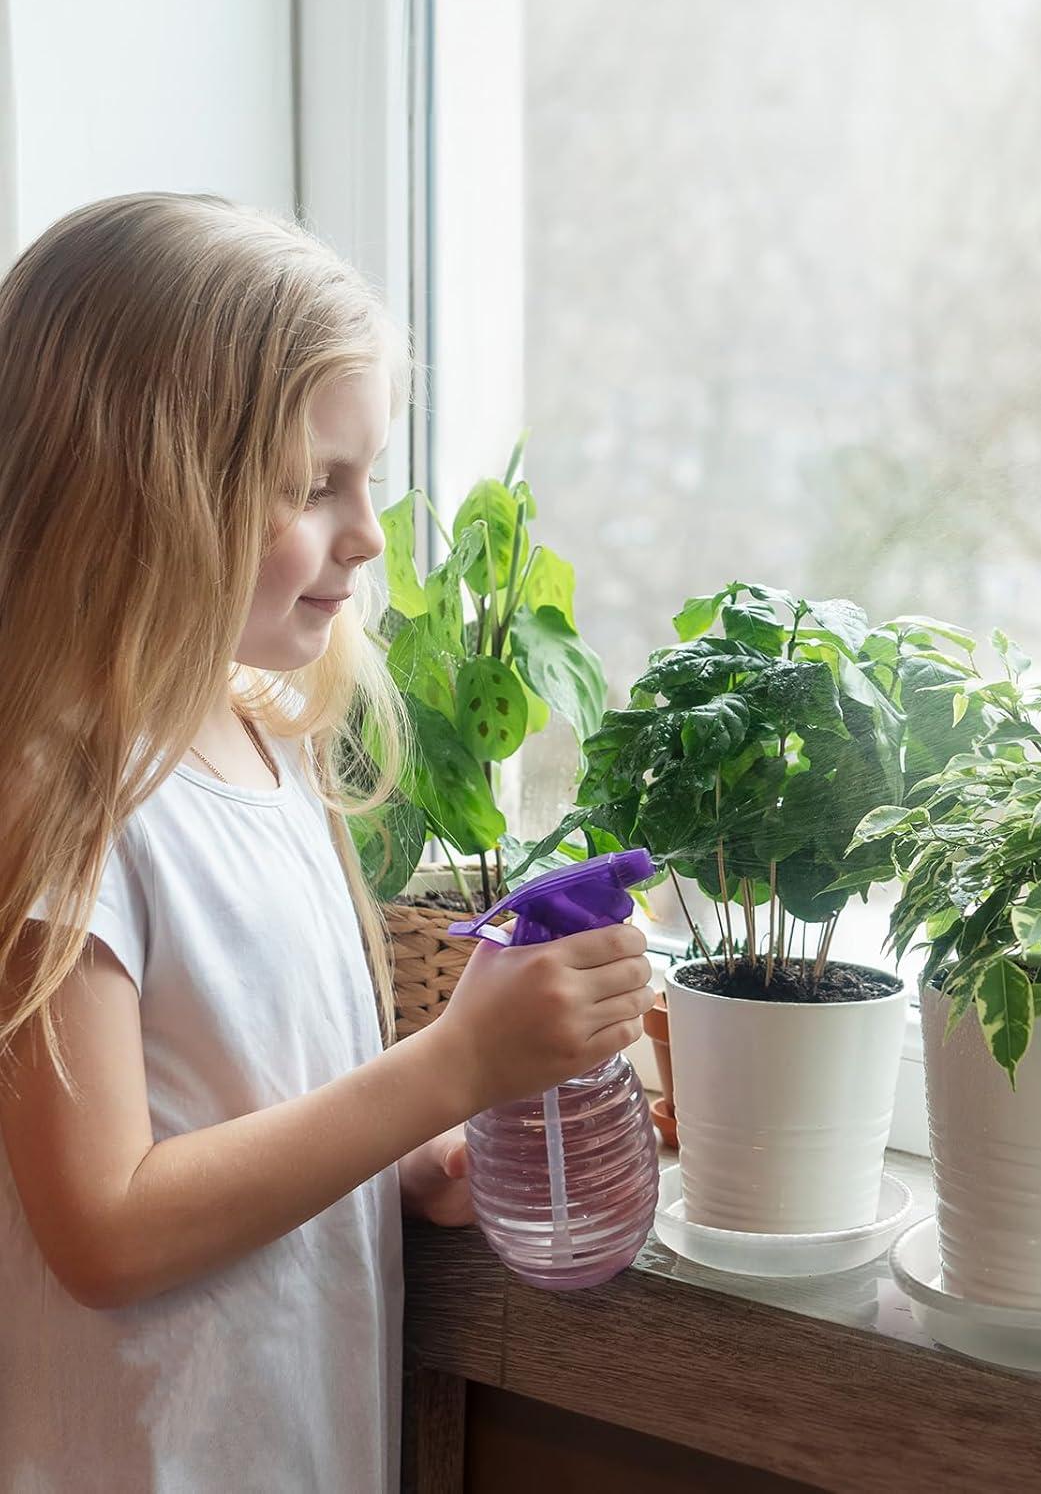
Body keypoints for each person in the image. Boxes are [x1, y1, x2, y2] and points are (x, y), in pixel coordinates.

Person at [0, 193, 654, 1492]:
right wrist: (450, 1066)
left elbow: (247, 1092)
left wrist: (419, 1158)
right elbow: (109, 1228)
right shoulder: (55, 796)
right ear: (139, 493)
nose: (366, 533)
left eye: (370, 477)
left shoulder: (265, 745)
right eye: (315, 486)